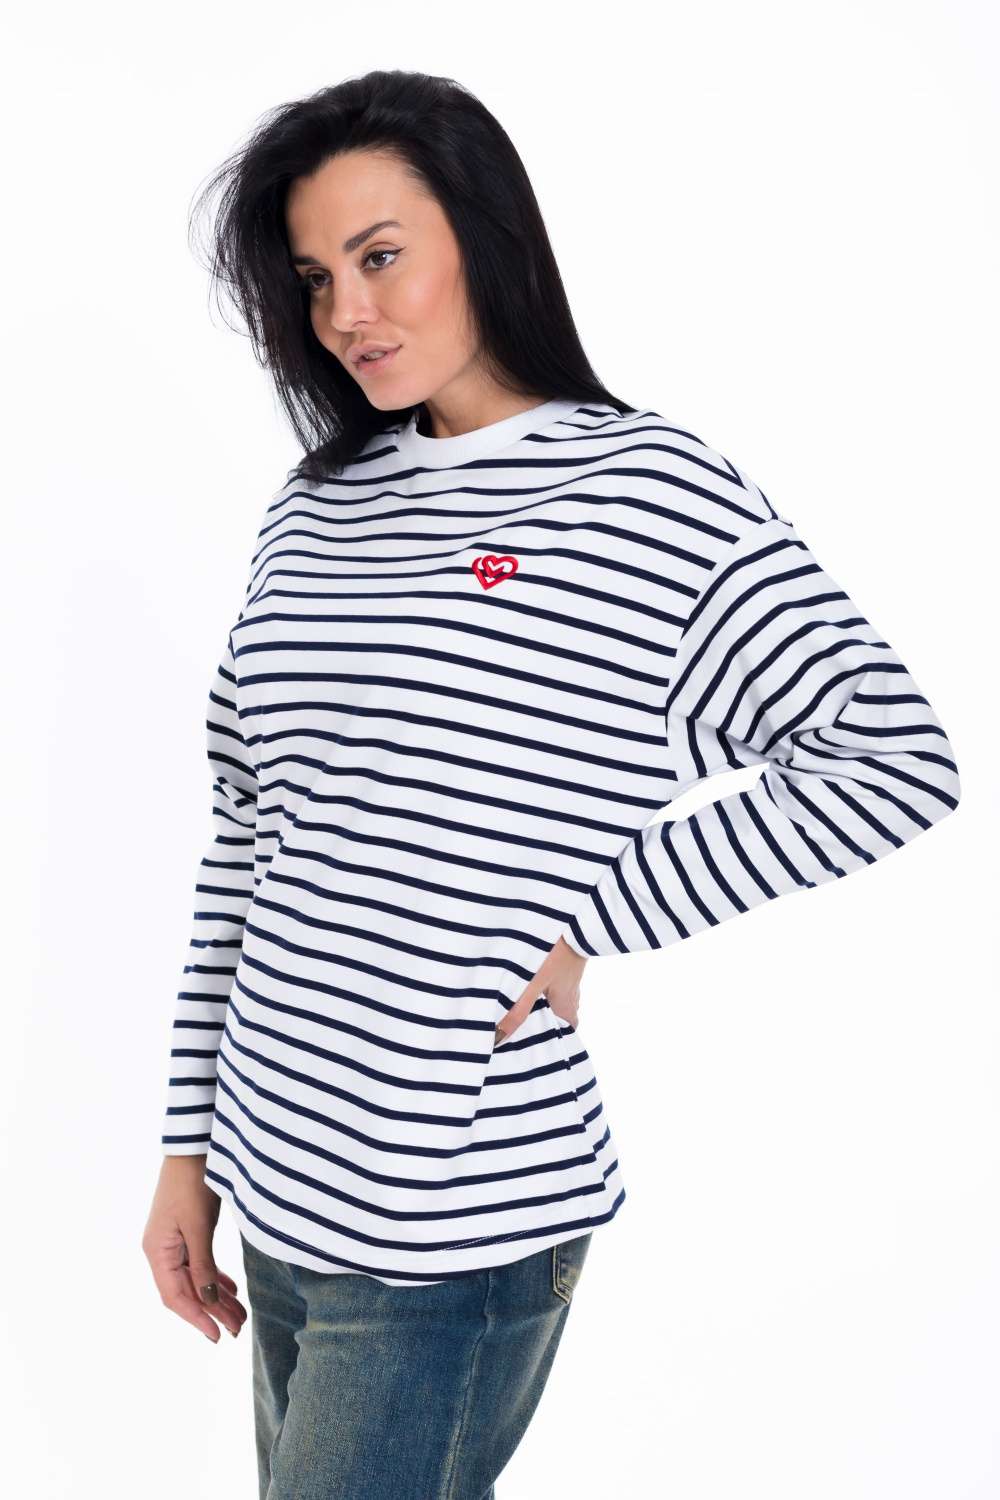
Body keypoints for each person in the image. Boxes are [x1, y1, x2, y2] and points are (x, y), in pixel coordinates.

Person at [142, 69, 960, 1500]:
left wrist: (593, 918)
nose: (345, 312)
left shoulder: (649, 493)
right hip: (275, 1181)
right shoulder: (317, 509)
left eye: (380, 255)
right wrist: (185, 1152)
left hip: (453, 1219)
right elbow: (248, 839)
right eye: (316, 276)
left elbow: (891, 755)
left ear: (487, 236)